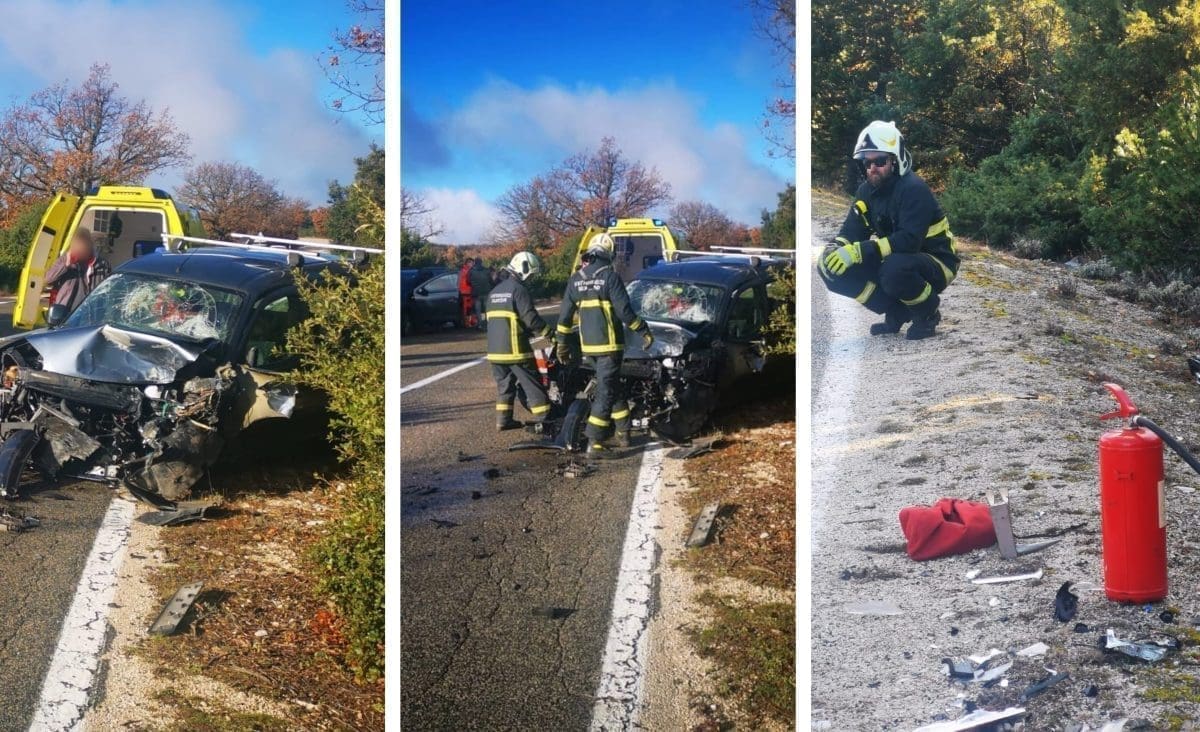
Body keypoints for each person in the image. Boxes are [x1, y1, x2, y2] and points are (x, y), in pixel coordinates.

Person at [817, 120, 959, 340]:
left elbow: (909, 241)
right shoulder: (866, 191)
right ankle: (896, 310)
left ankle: (927, 312)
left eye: (880, 161)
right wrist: (837, 248)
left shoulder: (914, 189)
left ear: (895, 160)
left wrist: (858, 251)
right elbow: (851, 231)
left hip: (937, 261)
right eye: (867, 163)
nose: (872, 168)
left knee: (893, 269)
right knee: (830, 269)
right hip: (898, 259)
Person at [555, 233, 654, 456]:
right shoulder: (610, 277)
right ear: (609, 253)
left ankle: (624, 432)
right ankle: (595, 442)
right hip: (609, 347)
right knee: (605, 392)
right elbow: (625, 312)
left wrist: (562, 344)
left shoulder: (575, 280)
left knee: (612, 386)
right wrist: (643, 330)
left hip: (588, 348)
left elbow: (564, 318)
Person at [487, 252, 552, 431]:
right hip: (515, 350)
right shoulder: (518, 290)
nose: (530, 278)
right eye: (530, 274)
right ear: (522, 269)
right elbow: (530, 318)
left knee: (504, 387)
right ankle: (546, 420)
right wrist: (549, 333)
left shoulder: (494, 291)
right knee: (533, 385)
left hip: (494, 351)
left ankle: (503, 421)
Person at [46, 228, 111, 316]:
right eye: (76, 247)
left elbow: (108, 289)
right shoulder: (64, 261)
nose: (79, 251)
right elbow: (48, 279)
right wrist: (66, 266)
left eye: (82, 248)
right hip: (65, 313)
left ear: (89, 246)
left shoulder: (102, 265)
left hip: (90, 314)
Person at [469, 258, 492, 330]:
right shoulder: (487, 270)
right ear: (481, 262)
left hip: (476, 293)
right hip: (486, 292)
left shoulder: (471, 271)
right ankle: (488, 323)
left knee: (478, 310)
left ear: (475, 263)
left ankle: (480, 324)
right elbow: (490, 280)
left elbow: (468, 281)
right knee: (486, 308)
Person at [458, 258, 475, 328]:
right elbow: (470, 281)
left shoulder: (462, 270)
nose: (473, 265)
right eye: (472, 263)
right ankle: (468, 323)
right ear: (468, 263)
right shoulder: (468, 271)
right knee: (468, 309)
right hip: (467, 292)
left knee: (467, 309)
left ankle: (468, 322)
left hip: (463, 291)